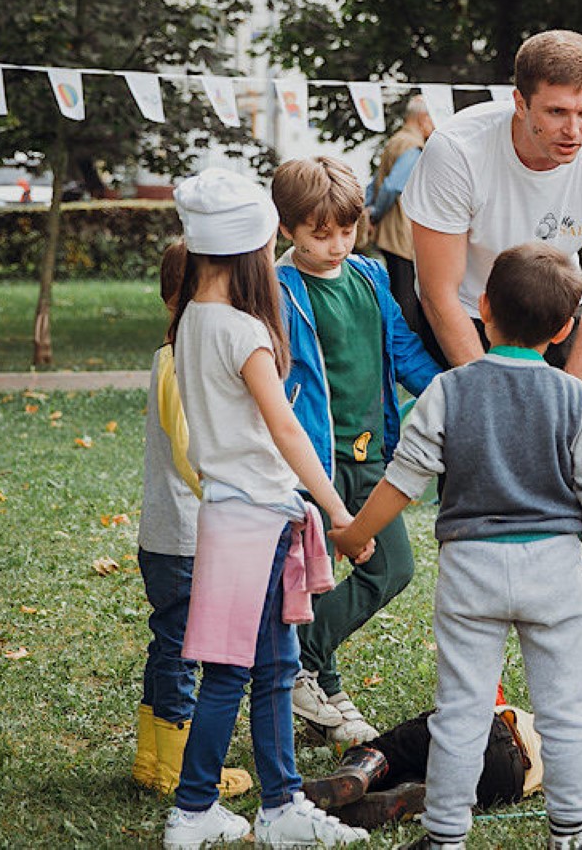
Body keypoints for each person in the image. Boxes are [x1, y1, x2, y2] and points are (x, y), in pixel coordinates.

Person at [331, 242, 582, 850]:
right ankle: (569, 834)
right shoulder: (577, 399)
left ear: (482, 308)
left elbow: (403, 479)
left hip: (471, 571)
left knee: (460, 712)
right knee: (564, 712)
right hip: (555, 574)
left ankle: (446, 837)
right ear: (566, 328)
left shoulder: (448, 392)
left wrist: (355, 533)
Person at [400, 28, 582, 725]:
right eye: (555, 113)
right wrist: (493, 392)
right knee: (479, 472)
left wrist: (567, 395)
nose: (573, 129)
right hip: (467, 312)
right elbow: (437, 288)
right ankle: (477, 673)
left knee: (581, 467)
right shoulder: (457, 149)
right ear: (519, 102)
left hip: (552, 303)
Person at [160, 168, 369, 849]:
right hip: (257, 519)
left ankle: (279, 807)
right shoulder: (243, 331)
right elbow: (287, 429)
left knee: (274, 669)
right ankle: (193, 811)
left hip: (237, 514)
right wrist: (340, 513)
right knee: (232, 674)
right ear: (255, 248)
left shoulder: (192, 319)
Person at [272, 156, 443, 745]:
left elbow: (404, 351)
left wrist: (459, 390)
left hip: (374, 460)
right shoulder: (278, 288)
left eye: (347, 230)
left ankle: (301, 658)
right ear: (289, 228)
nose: (337, 244)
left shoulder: (370, 277)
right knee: (315, 581)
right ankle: (323, 686)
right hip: (311, 466)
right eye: (321, 234)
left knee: (391, 567)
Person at [133, 241, 254, 799]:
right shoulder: (186, 357)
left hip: (161, 533)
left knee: (167, 644)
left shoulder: (166, 351)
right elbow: (190, 448)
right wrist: (228, 489)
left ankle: (150, 758)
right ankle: (178, 768)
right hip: (188, 535)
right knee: (185, 651)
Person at [301, 698, 582, 833]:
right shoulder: (577, 763)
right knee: (438, 780)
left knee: (402, 746)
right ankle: (407, 796)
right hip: (507, 781)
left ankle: (359, 772)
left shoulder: (548, 722)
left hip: (490, 731)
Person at [367, 95, 438, 335]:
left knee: (400, 290)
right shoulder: (412, 146)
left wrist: (369, 207)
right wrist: (375, 213)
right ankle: (406, 348)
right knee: (406, 294)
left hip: (390, 231)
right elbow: (391, 185)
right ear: (424, 119)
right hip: (400, 231)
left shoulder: (395, 140)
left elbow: (375, 182)